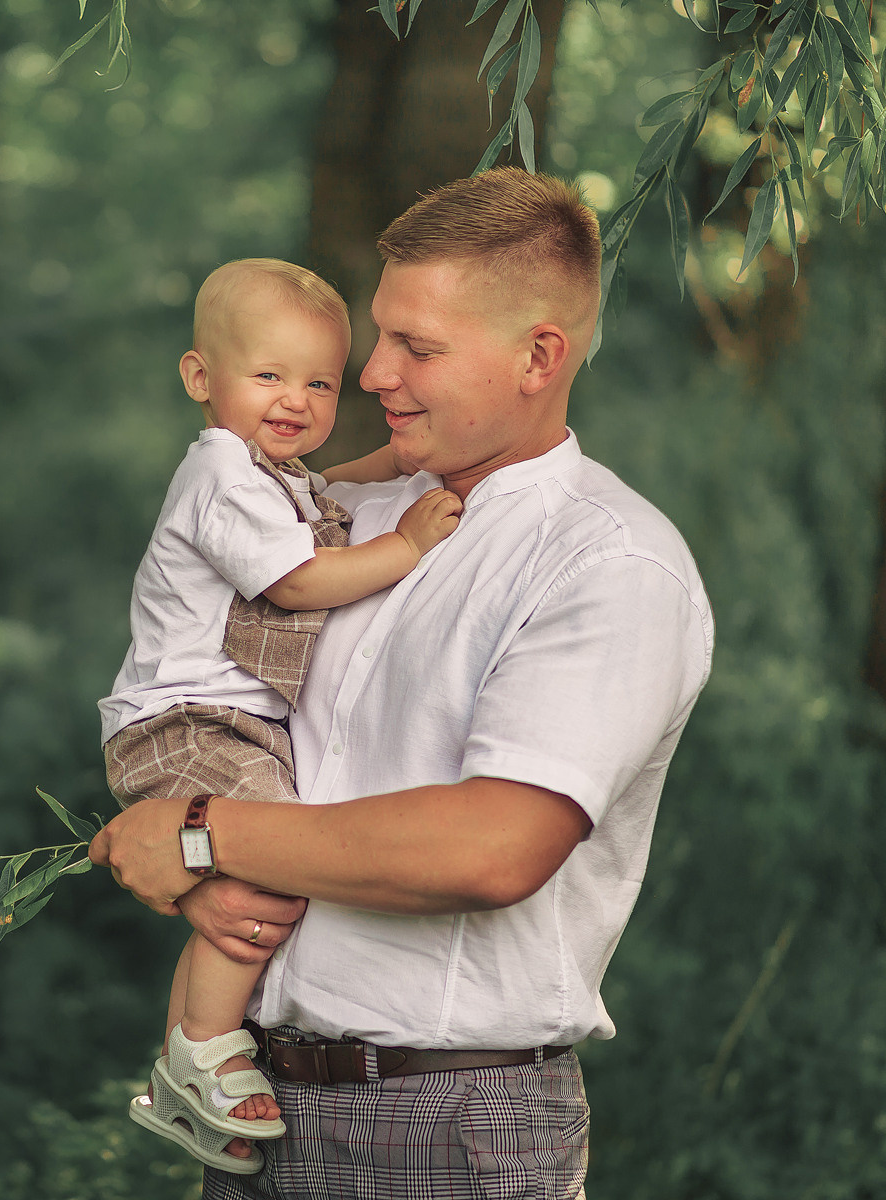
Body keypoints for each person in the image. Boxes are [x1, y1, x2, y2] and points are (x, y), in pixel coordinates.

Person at [90, 168, 714, 1200]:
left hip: (448, 1124)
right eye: (379, 336)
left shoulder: (609, 563)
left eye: (417, 348)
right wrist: (214, 876)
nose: (373, 373)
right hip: (260, 1104)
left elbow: (492, 847)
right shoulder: (343, 516)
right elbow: (219, 701)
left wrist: (200, 836)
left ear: (538, 356)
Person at [98, 257, 462, 1175]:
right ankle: (206, 1045)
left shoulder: (274, 473)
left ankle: (189, 1052)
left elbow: (338, 481)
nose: (294, 398)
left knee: (252, 877)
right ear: (199, 378)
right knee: (274, 859)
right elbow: (299, 578)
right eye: (268, 375)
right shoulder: (221, 473)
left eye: (319, 382)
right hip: (186, 721)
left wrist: (416, 458)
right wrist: (404, 544)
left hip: (224, 723)